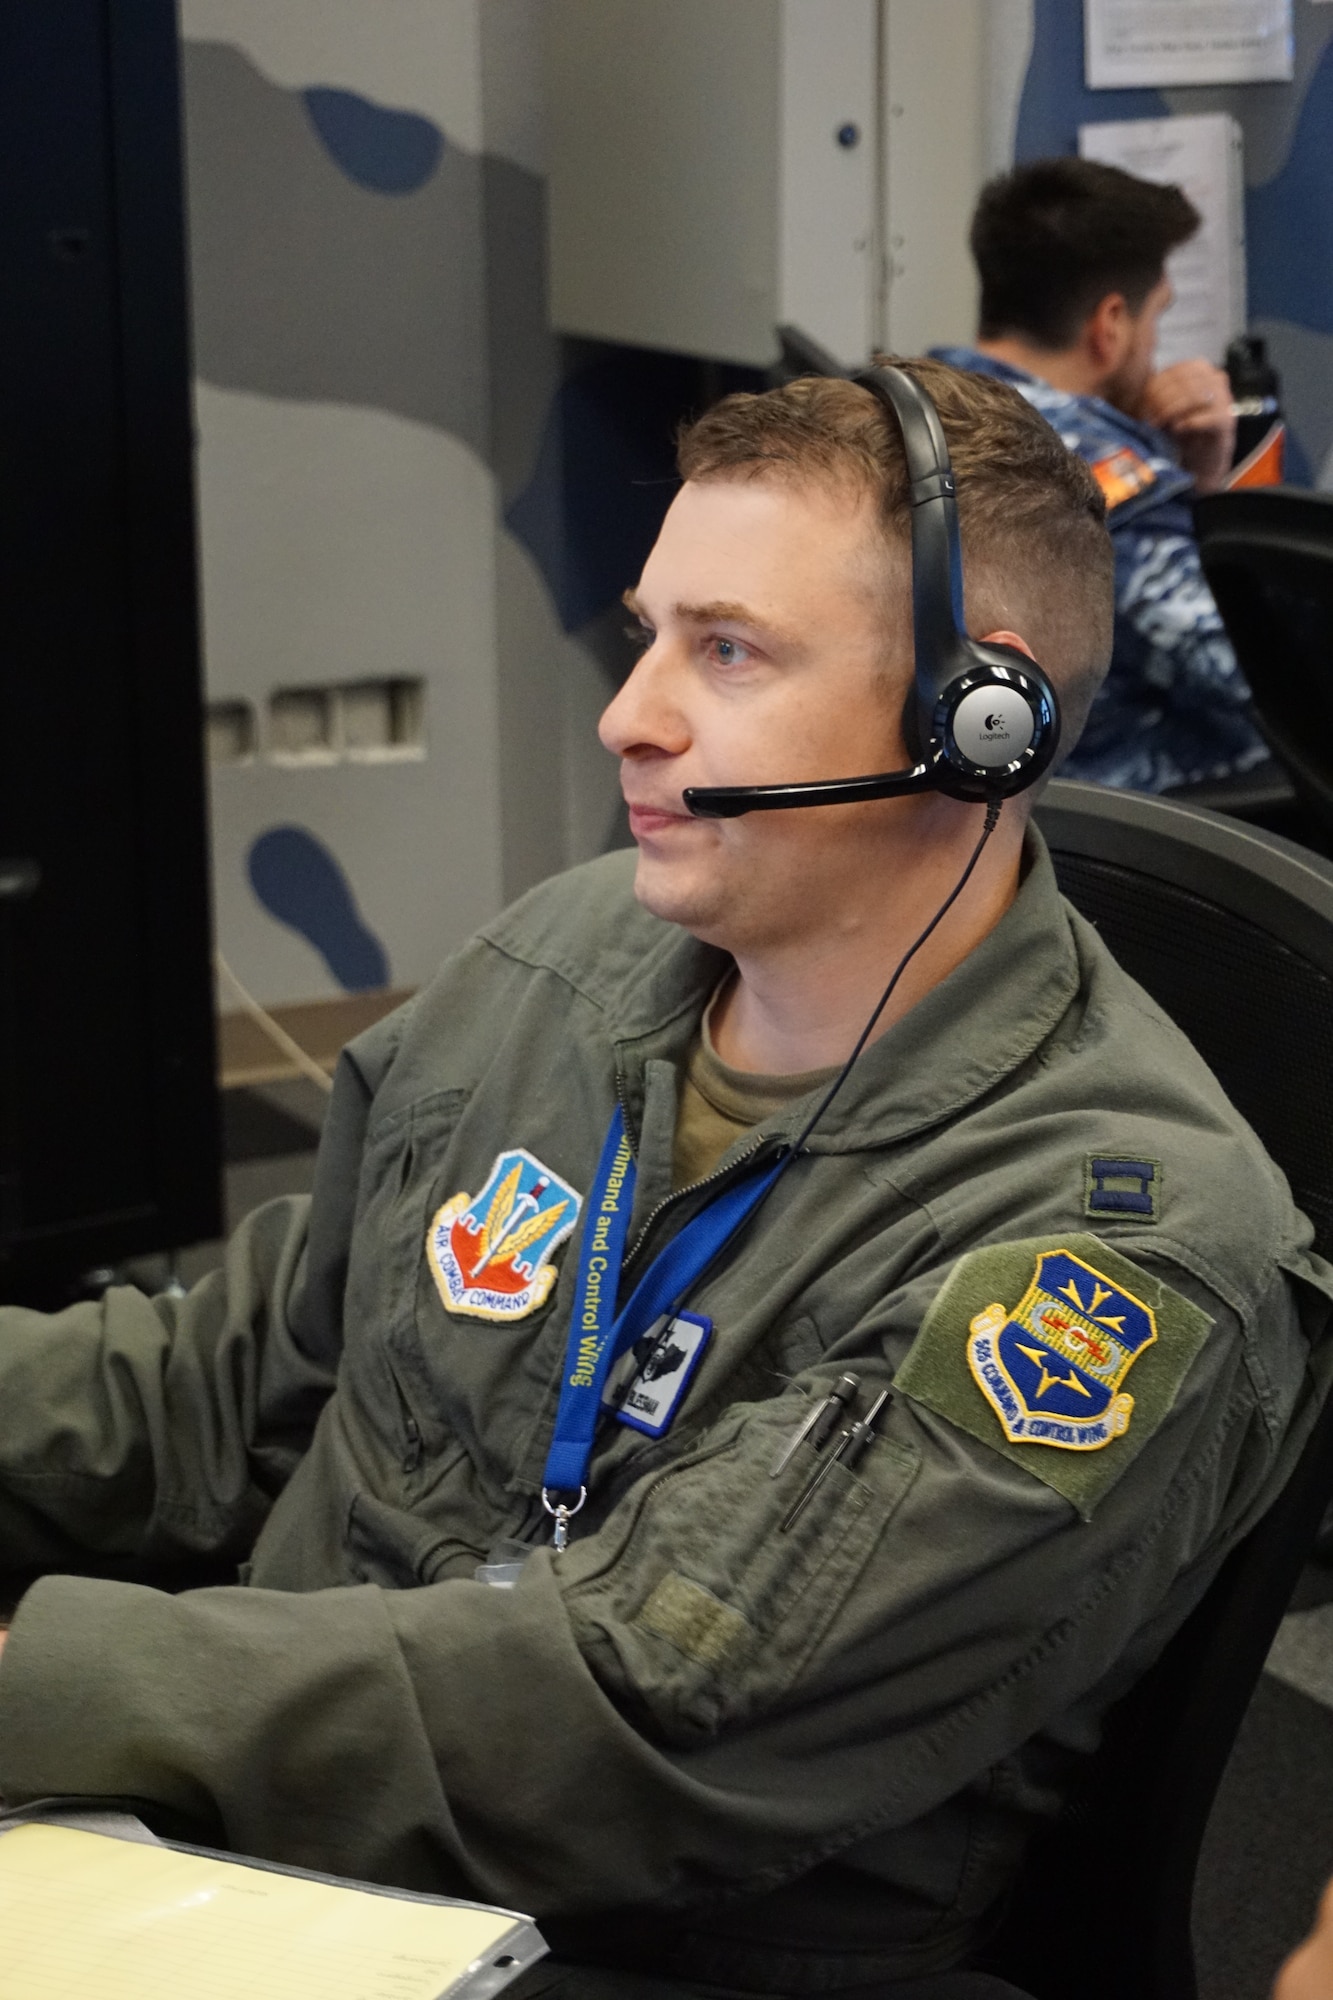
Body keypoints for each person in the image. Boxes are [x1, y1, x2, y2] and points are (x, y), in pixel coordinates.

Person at [0, 358, 1327, 2000]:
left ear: (980, 726)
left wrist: (36, 1681)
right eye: (650, 632)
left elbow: (627, 1713)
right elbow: (224, 1387)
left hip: (624, 1948)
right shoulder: (563, 960)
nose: (631, 709)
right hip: (277, 1837)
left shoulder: (1098, 1261)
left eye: (726, 650)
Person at [933, 155, 1271, 795]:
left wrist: (1195, 484)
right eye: (1156, 317)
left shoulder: (914, 407)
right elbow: (1263, 676)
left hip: (968, 784)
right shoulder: (1107, 485)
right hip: (1123, 812)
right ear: (1111, 325)